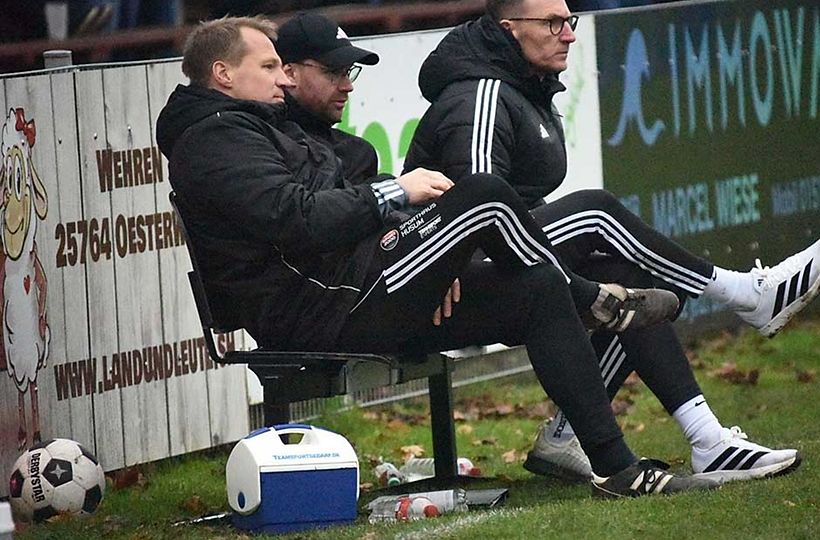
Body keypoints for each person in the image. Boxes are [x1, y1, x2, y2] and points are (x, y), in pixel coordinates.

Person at [156, 15, 716, 497]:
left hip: (366, 287)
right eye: (270, 67)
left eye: (284, 66)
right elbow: (298, 219)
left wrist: (438, 257)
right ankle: (596, 299)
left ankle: (617, 468)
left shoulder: (260, 127)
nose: (282, 78)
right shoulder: (213, 137)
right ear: (223, 74)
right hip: (330, 310)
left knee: (535, 289)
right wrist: (397, 192)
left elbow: (336, 205)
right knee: (483, 191)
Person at [404, 0, 820, 483]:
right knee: (594, 212)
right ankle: (745, 294)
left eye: (570, 21)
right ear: (510, 30)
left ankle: (702, 440)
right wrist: (443, 270)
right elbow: (477, 212)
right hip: (453, 278)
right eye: (552, 23)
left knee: (630, 283)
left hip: (499, 258)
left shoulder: (524, 87)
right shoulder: (480, 94)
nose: (567, 34)